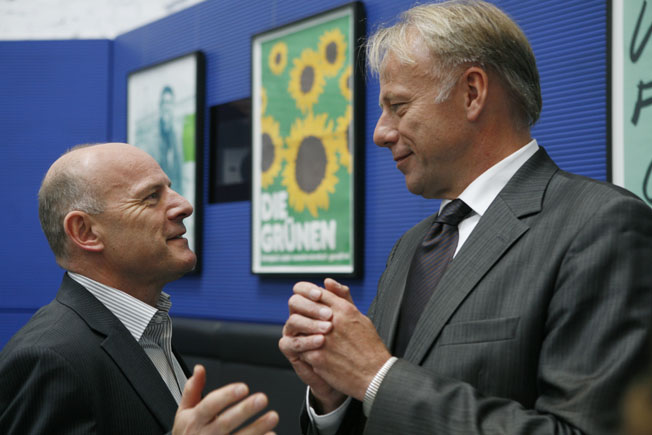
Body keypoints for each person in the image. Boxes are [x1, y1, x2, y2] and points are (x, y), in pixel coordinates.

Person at [278, 1, 652, 434]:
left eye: (398, 105)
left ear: (472, 93)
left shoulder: (602, 226)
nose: (380, 133)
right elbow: (379, 403)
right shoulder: (412, 247)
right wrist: (336, 394)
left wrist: (376, 377)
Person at [0, 143, 279, 435]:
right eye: (151, 197)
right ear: (85, 231)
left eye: (170, 189)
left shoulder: (149, 330)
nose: (184, 205)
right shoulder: (48, 358)